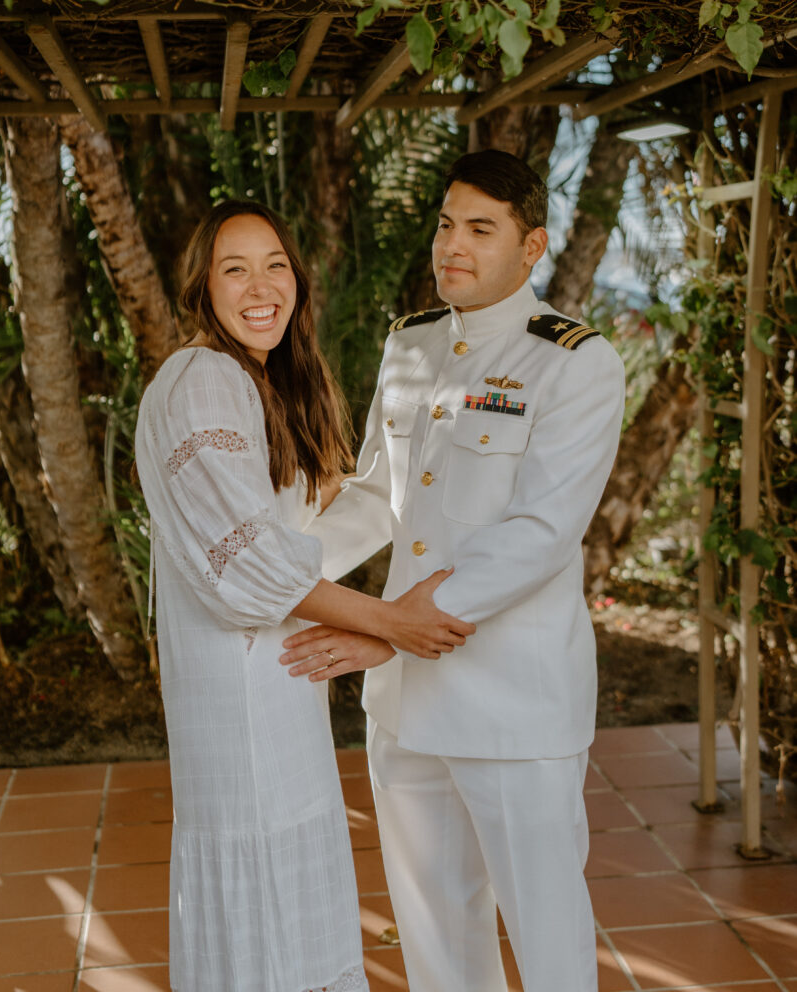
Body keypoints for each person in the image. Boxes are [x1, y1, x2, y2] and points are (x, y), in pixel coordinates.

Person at [280, 151, 626, 992]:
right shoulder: (410, 346)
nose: (452, 246)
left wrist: (387, 632)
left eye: (480, 229)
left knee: (544, 934)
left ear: (531, 244)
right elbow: (373, 497)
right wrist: (278, 570)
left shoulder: (574, 363)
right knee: (433, 931)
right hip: (407, 708)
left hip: (515, 703)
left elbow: (540, 534)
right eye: (444, 225)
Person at [134, 200, 474, 992]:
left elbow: (301, 539)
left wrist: (407, 475)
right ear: (201, 291)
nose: (261, 286)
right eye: (234, 268)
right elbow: (250, 565)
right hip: (241, 686)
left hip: (277, 674)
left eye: (275, 264)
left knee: (286, 877)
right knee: (259, 884)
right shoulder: (203, 379)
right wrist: (390, 622)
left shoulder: (259, 381)